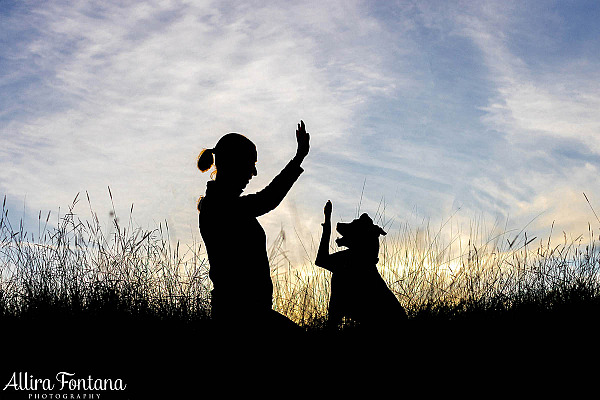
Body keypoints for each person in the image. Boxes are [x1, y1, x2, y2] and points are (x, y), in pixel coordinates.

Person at [197, 121, 309, 338]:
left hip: (247, 314)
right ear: (234, 164)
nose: (254, 172)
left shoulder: (221, 204)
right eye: (251, 163)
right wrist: (298, 159)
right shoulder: (220, 207)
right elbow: (267, 199)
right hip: (241, 317)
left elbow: (264, 200)